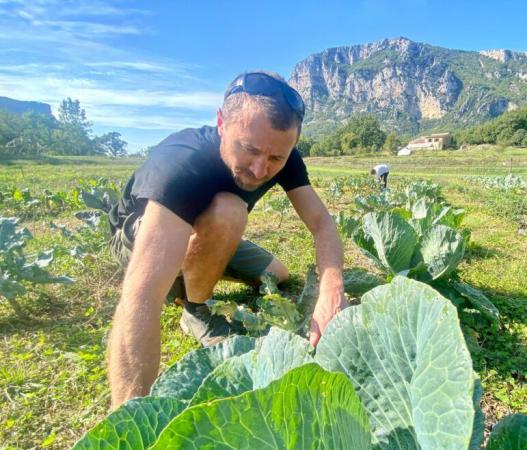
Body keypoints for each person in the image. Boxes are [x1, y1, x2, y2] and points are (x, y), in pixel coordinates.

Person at [106, 71, 347, 409]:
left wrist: (332, 289)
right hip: (139, 231)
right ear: (221, 122)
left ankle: (190, 272)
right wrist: (128, 420)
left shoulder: (282, 153)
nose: (261, 169)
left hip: (208, 230)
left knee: (277, 274)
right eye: (249, 150)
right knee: (229, 210)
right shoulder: (181, 163)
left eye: (276, 158)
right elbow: (139, 297)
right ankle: (195, 309)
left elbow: (322, 222)